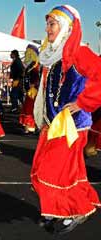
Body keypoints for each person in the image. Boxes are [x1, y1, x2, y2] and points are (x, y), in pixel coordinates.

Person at [31, 5, 101, 234]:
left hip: (72, 126)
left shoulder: (79, 52)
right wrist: (42, 116)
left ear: (67, 28)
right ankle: (57, 208)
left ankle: (77, 208)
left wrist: (83, 103)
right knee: (61, 170)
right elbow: (46, 90)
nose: (48, 28)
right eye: (47, 24)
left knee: (52, 170)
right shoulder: (52, 54)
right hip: (53, 124)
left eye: (53, 24)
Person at [19, 44, 40, 133]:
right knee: (28, 107)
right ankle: (29, 126)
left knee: (31, 108)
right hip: (29, 90)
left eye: (28, 52)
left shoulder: (36, 65)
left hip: (34, 90)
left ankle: (31, 126)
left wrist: (34, 86)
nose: (26, 53)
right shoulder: (30, 64)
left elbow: (37, 77)